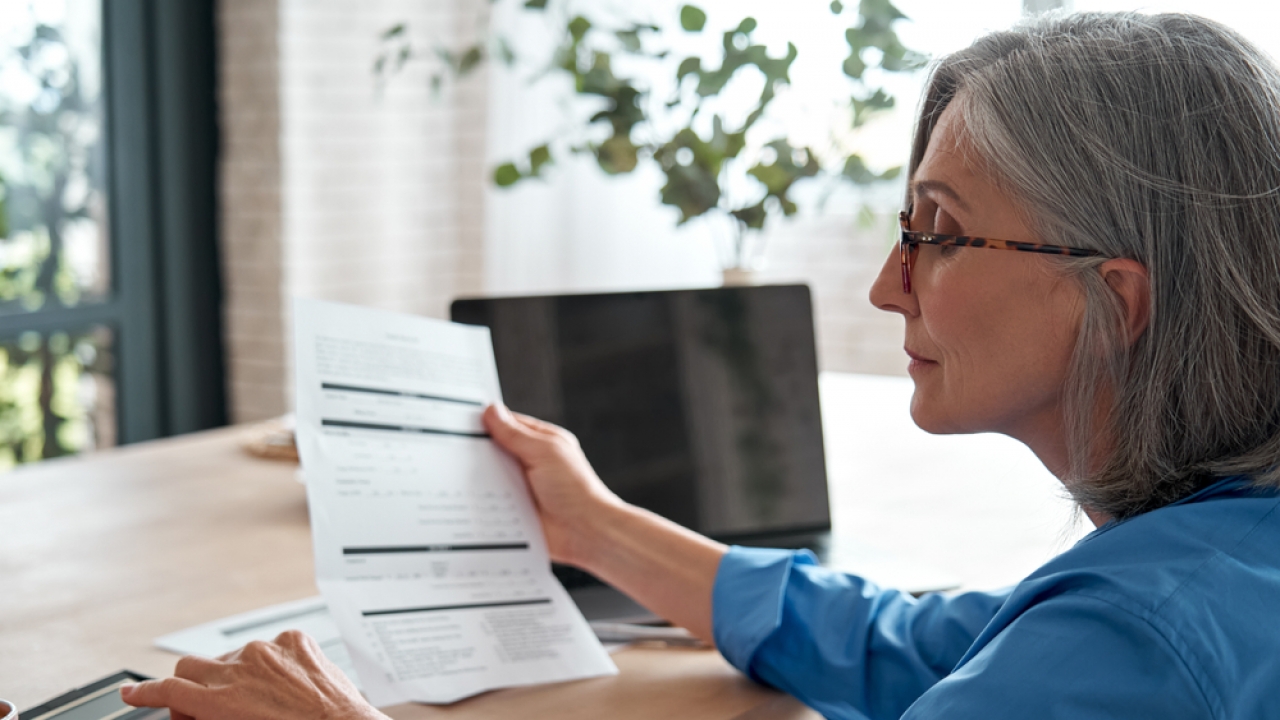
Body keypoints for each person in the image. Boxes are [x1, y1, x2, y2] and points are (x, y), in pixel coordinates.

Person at [123, 11, 1280, 720]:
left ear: (1110, 301)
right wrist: (593, 527)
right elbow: (917, 648)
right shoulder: (1200, 570)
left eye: (935, 230)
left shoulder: (1137, 646)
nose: (888, 283)